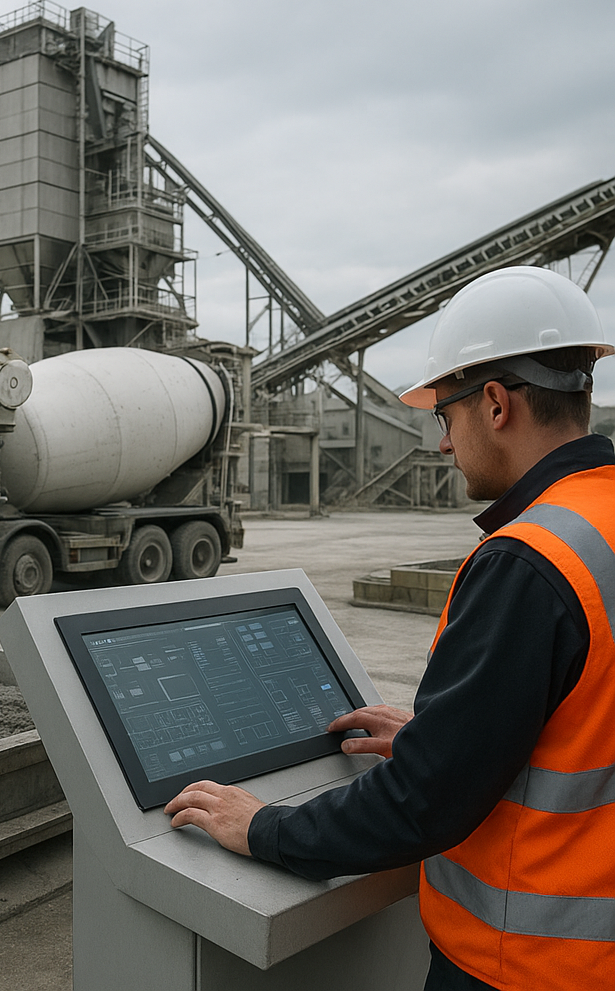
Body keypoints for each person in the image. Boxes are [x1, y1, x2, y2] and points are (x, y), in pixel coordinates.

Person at [164, 265, 615, 990]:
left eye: (445, 417)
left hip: (531, 964)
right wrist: (446, 733)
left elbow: (423, 803)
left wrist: (266, 828)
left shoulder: (529, 562)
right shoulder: (602, 523)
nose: (444, 446)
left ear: (495, 404)